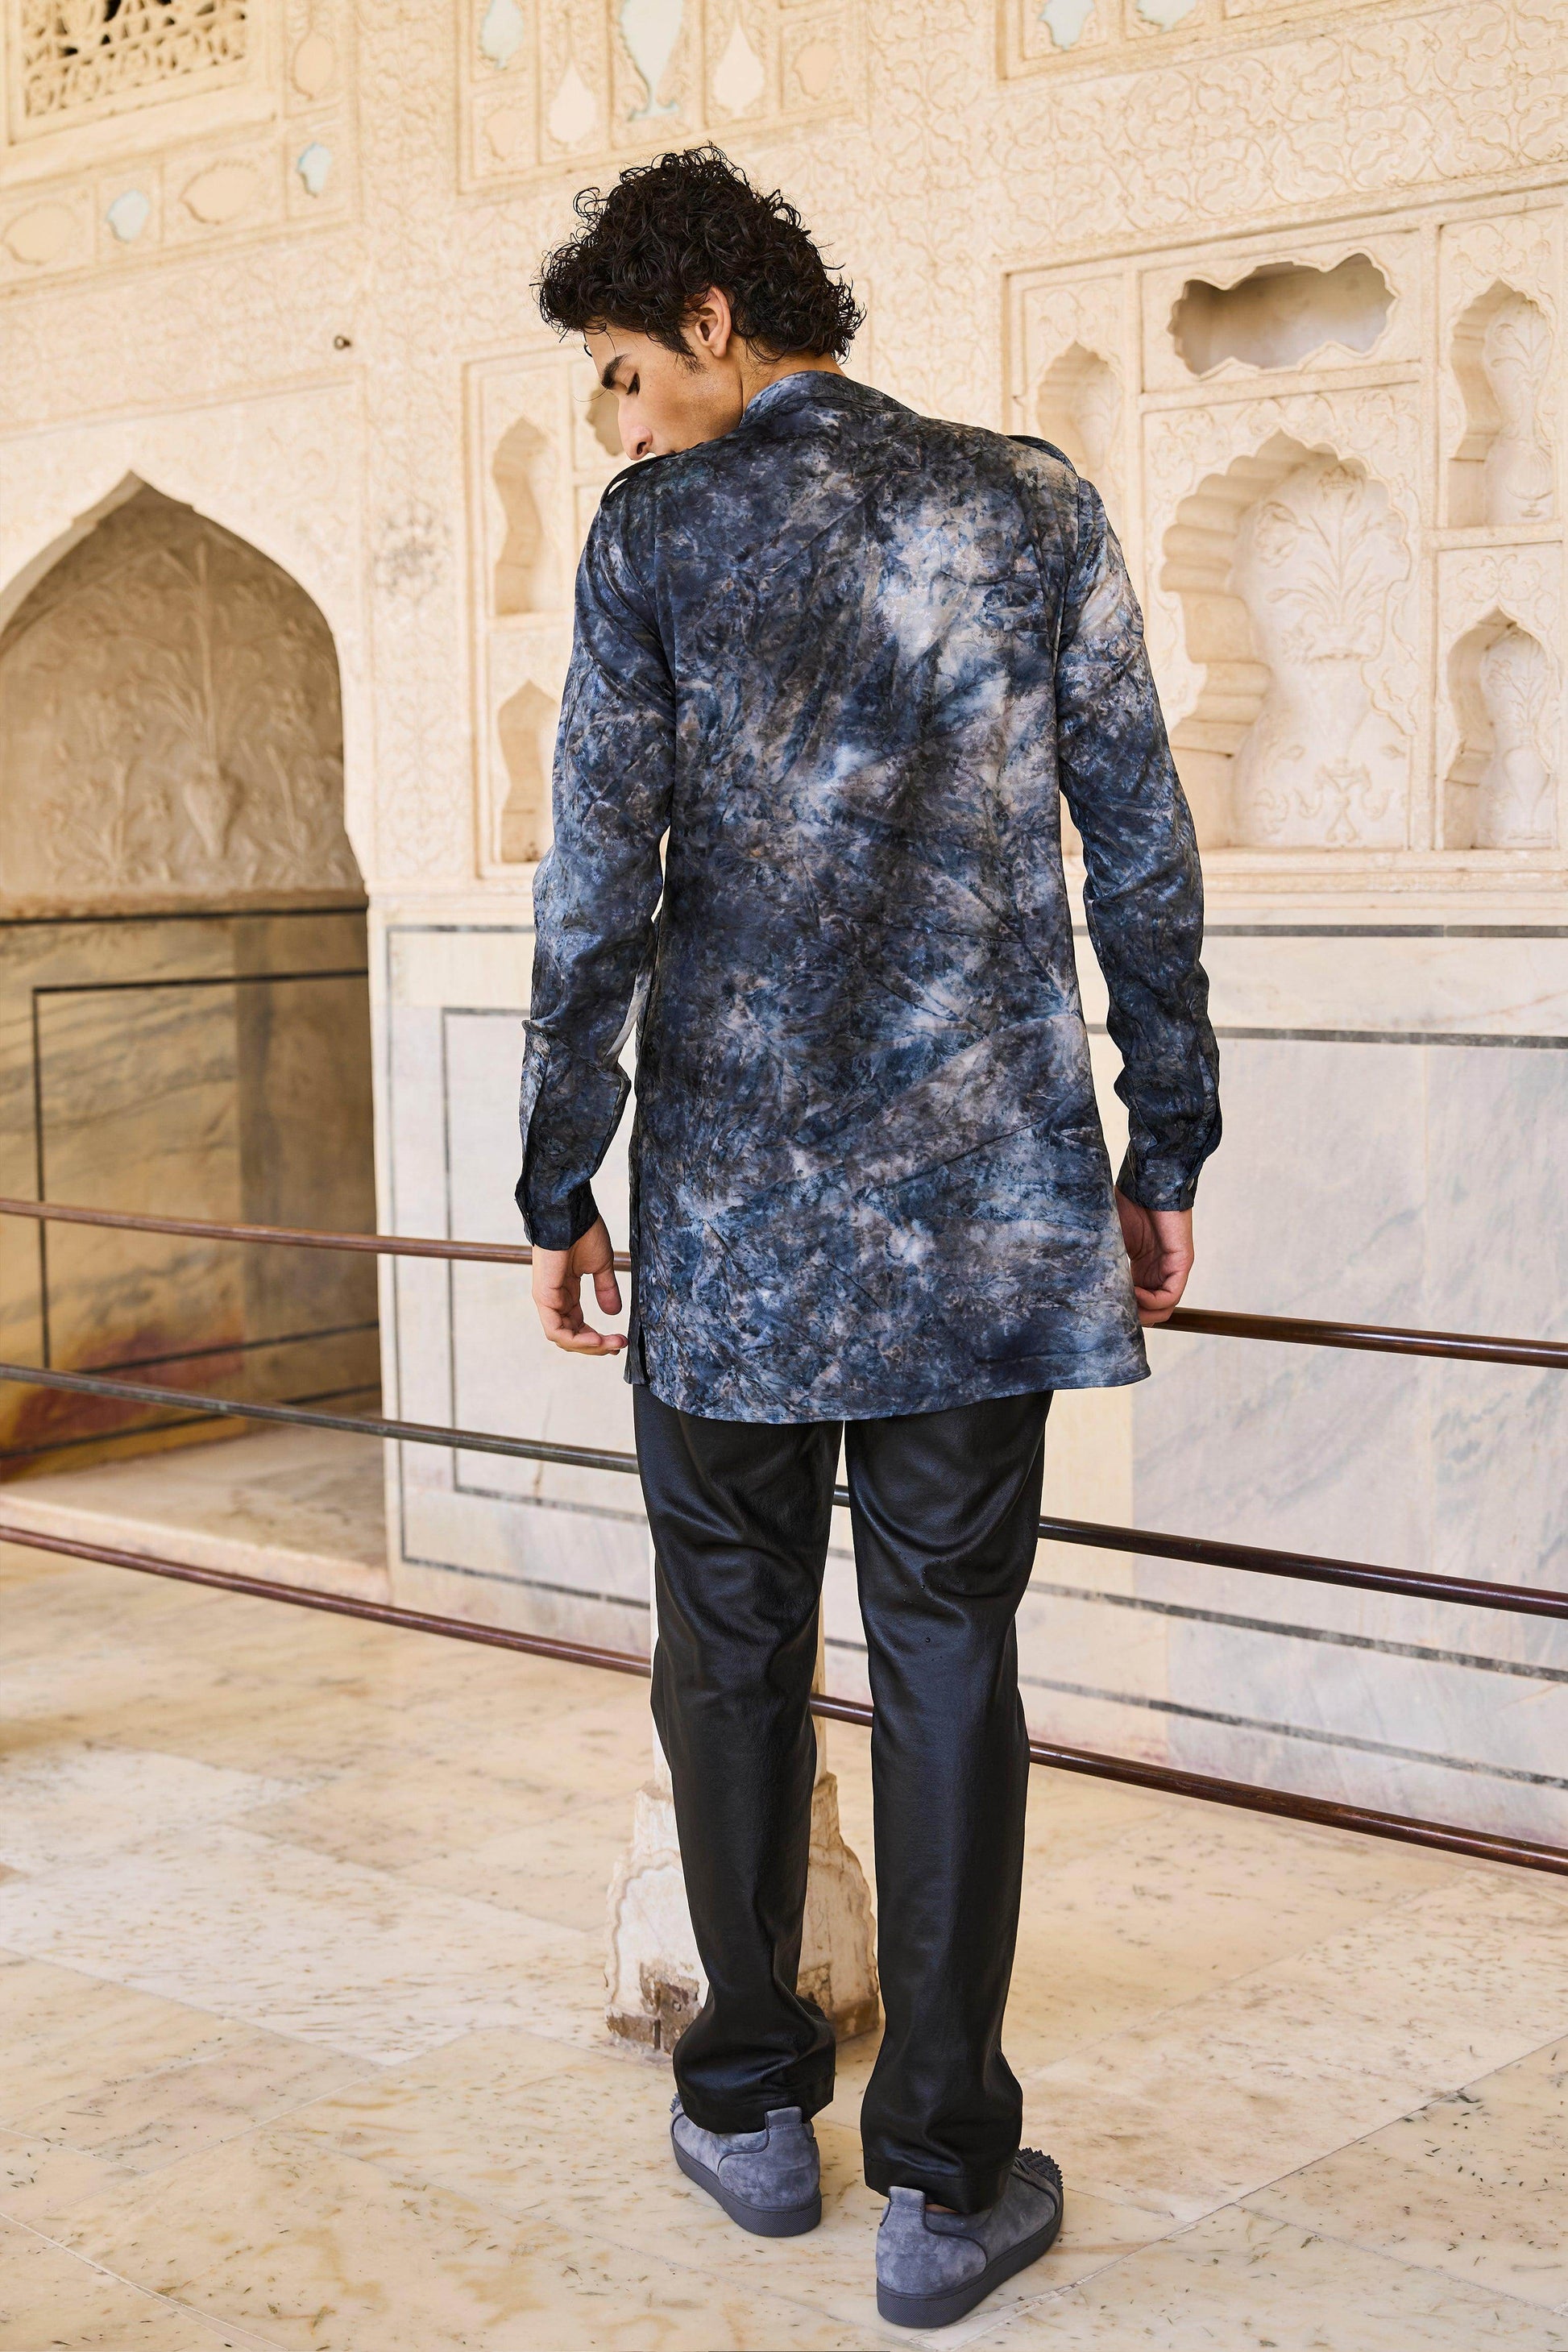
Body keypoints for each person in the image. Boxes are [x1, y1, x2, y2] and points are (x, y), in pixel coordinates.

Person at [517, 143, 1220, 2331]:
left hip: (734, 1225)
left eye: (623, 371)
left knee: (726, 1648)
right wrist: (1167, 1144)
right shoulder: (1028, 504)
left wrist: (557, 1176)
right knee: (947, 1659)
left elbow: (594, 885)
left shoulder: (656, 541)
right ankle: (941, 2176)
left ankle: (747, 2106)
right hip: (978, 1216)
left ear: (712, 318)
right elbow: (1139, 843)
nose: (619, 420)